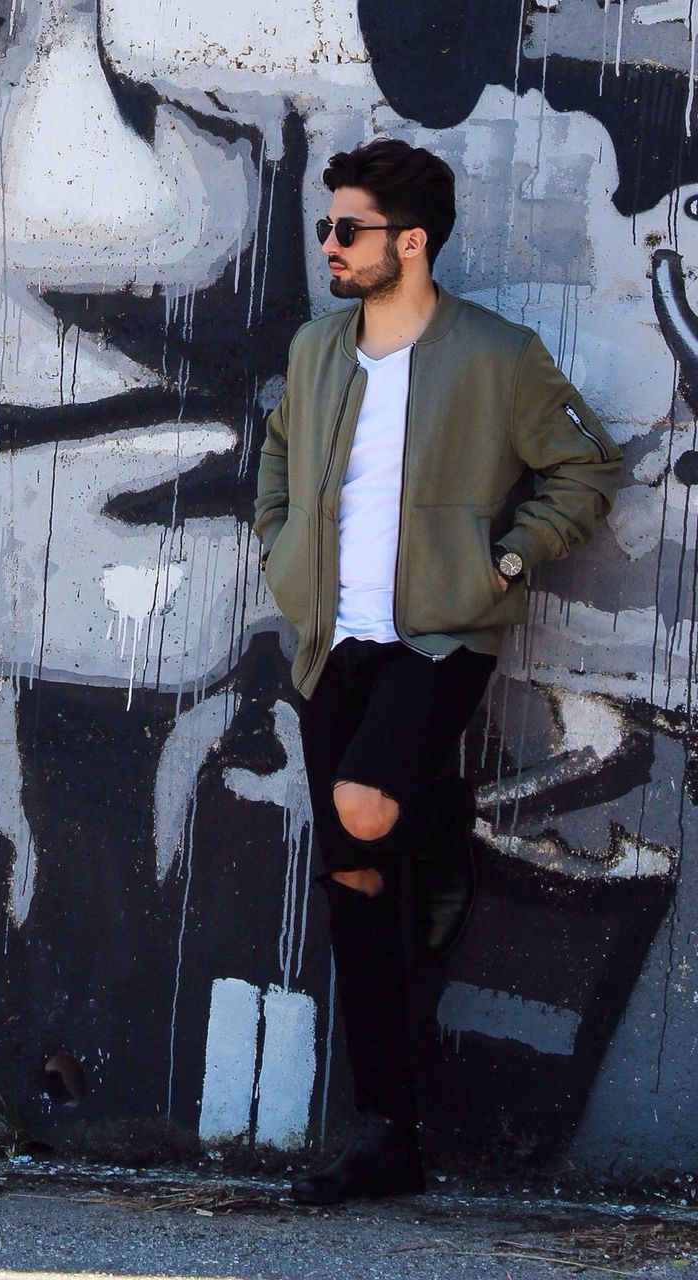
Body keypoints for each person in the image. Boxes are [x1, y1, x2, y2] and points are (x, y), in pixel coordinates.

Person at [253, 138, 623, 1205]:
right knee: (353, 880)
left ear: (407, 243)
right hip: (331, 639)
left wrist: (502, 558)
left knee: (366, 809)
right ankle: (387, 1130)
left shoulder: (493, 357)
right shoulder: (316, 351)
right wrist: (278, 543)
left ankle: (432, 821)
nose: (328, 243)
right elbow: (278, 454)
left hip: (436, 637)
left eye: (347, 229)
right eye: (327, 227)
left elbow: (584, 465)